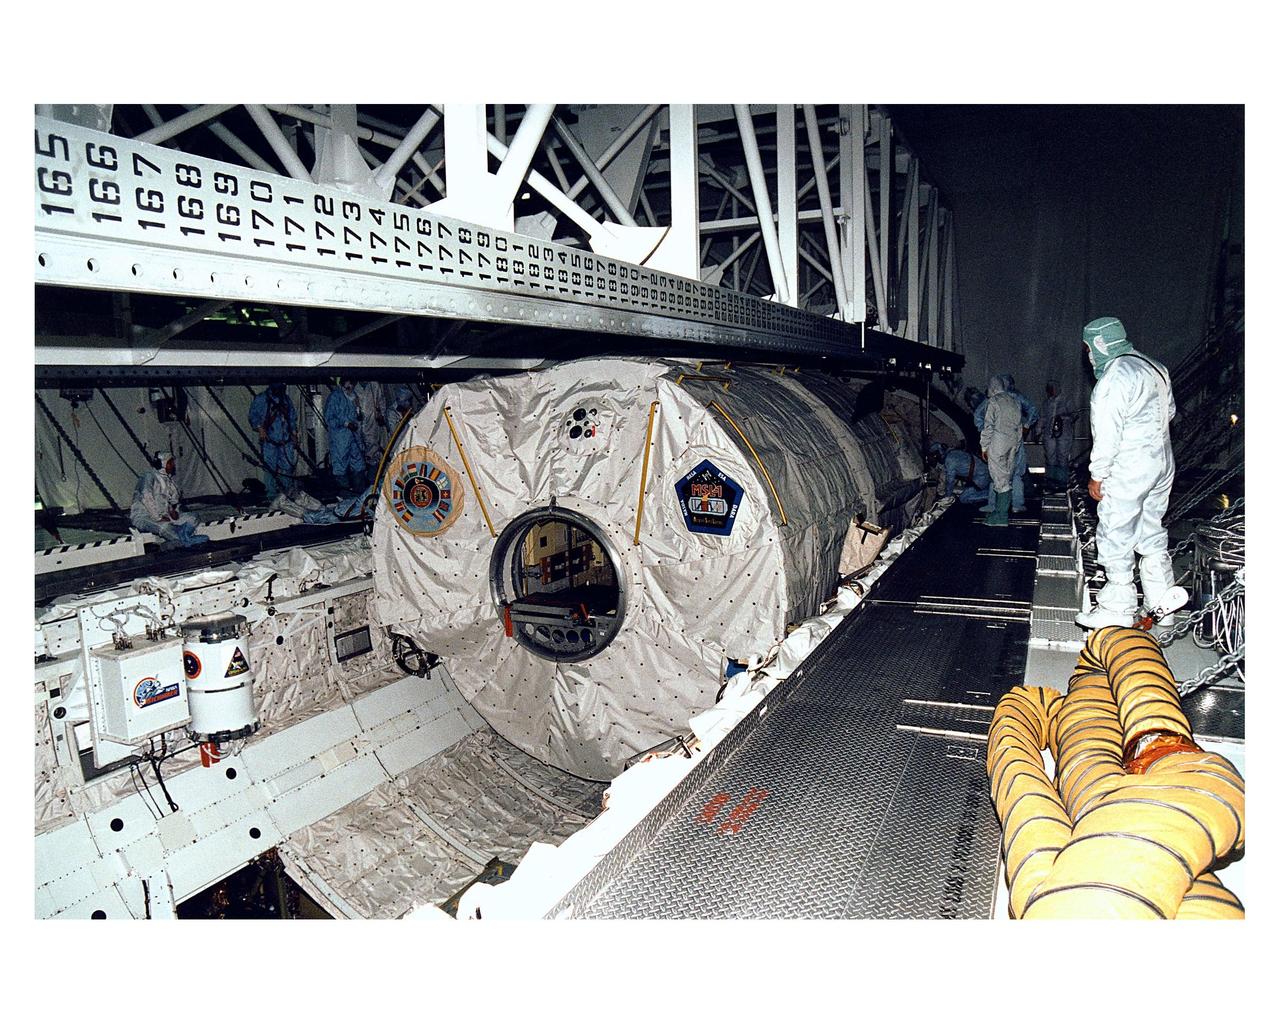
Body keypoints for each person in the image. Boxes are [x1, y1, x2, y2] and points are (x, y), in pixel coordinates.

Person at [1075, 316, 1185, 630]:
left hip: (1130, 464)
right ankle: (1161, 602)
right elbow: (1170, 412)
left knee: (1115, 530)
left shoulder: (1114, 377)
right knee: (1151, 529)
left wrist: (1098, 475)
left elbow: (1107, 433)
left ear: (1099, 343)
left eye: (1088, 349)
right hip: (1162, 462)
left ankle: (1117, 607)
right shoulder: (1155, 367)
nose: (1088, 357)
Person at [974, 374, 1038, 513]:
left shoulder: (994, 400)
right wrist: (1025, 426)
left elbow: (979, 416)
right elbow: (1033, 410)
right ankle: (1014, 504)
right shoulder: (1015, 399)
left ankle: (997, 505)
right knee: (1011, 473)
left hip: (1000, 442)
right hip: (1014, 440)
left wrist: (985, 434)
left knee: (998, 473)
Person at [130, 452, 210, 547]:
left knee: (193, 518)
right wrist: (158, 518)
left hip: (164, 515)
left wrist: (173, 510)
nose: (173, 465)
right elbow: (147, 497)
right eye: (170, 462)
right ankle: (181, 541)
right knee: (164, 526)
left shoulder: (168, 480)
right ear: (163, 464)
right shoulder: (148, 476)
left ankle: (181, 538)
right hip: (144, 516)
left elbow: (173, 500)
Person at [979, 376, 1022, 527]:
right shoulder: (1013, 401)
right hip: (1012, 442)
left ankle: (1001, 516)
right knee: (1007, 477)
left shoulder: (994, 401)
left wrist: (984, 447)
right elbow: (1019, 425)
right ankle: (1000, 511)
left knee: (998, 478)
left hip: (998, 442)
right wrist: (1016, 445)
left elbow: (988, 425)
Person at [248, 383, 298, 500]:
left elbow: (292, 417)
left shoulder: (286, 399)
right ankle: (271, 495)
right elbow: (253, 416)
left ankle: (287, 494)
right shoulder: (262, 399)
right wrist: (260, 428)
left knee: (287, 467)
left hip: (285, 440)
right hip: (269, 440)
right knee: (270, 468)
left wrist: (294, 434)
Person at [324, 379, 366, 494]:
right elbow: (329, 418)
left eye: (352, 383)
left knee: (358, 463)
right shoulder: (335, 397)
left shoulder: (353, 396)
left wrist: (358, 411)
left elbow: (358, 417)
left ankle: (359, 493)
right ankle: (345, 496)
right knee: (340, 465)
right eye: (348, 384)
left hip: (354, 437)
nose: (351, 386)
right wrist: (346, 423)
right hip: (340, 438)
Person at [1039, 379, 1077, 491]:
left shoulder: (1066, 401)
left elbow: (1074, 415)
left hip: (1064, 433)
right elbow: (1042, 417)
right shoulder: (1047, 403)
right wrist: (1038, 429)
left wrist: (1064, 418)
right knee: (1050, 456)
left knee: (1062, 456)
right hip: (1049, 434)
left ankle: (1062, 482)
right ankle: (1051, 481)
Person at [353, 381, 388, 467]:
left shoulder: (374, 385)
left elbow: (381, 402)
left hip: (372, 424)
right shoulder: (354, 387)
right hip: (358, 424)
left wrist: (381, 414)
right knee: (358, 451)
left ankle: (372, 475)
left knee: (373, 450)